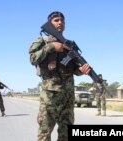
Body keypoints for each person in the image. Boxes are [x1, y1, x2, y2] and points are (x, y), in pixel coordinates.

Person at [29, 11, 91, 141]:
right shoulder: (42, 41)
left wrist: (82, 70)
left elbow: (74, 69)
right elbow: (33, 59)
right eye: (56, 20)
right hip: (50, 97)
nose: (60, 22)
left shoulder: (70, 45)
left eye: (62, 20)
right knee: (44, 135)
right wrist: (51, 47)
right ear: (50, 24)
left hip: (67, 97)